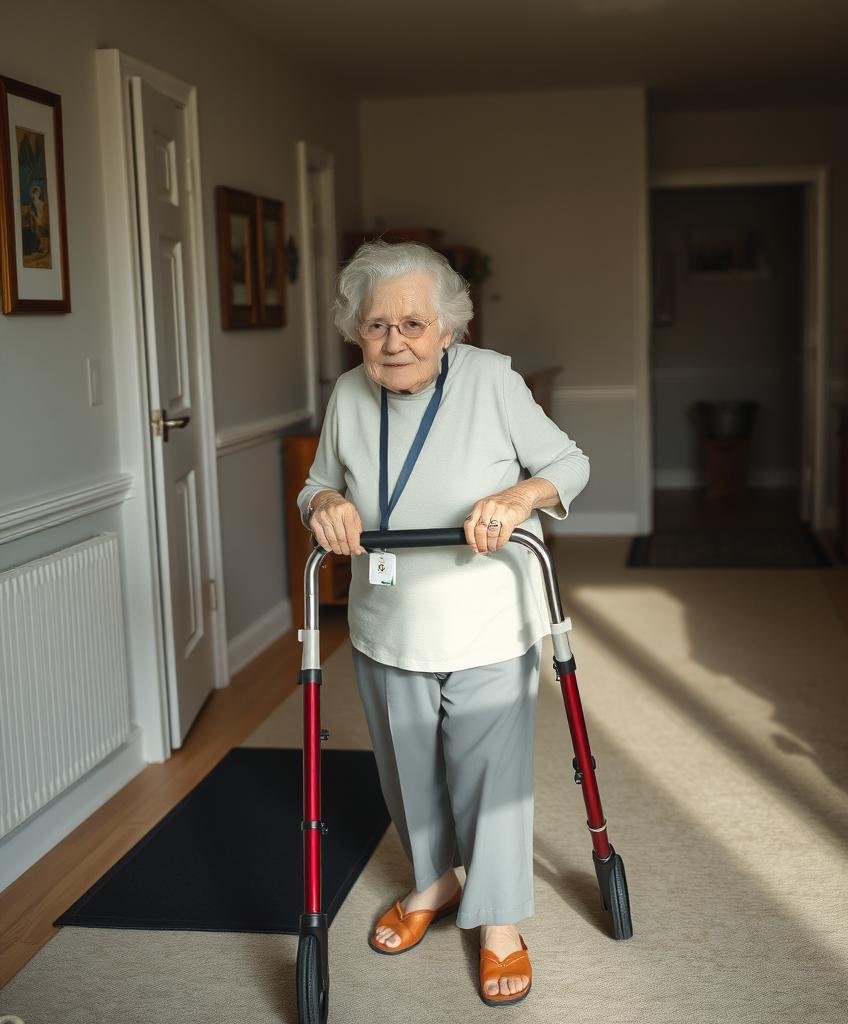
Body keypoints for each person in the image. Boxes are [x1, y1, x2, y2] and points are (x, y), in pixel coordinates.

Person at [296, 240, 590, 1007]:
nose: (394, 342)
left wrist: (519, 499)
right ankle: (434, 884)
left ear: (449, 329)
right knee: (407, 771)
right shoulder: (349, 393)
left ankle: (498, 925)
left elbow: (570, 463)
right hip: (386, 622)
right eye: (376, 325)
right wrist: (325, 505)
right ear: (356, 331)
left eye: (413, 324)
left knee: (489, 777)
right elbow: (319, 482)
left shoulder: (492, 379)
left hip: (487, 616)